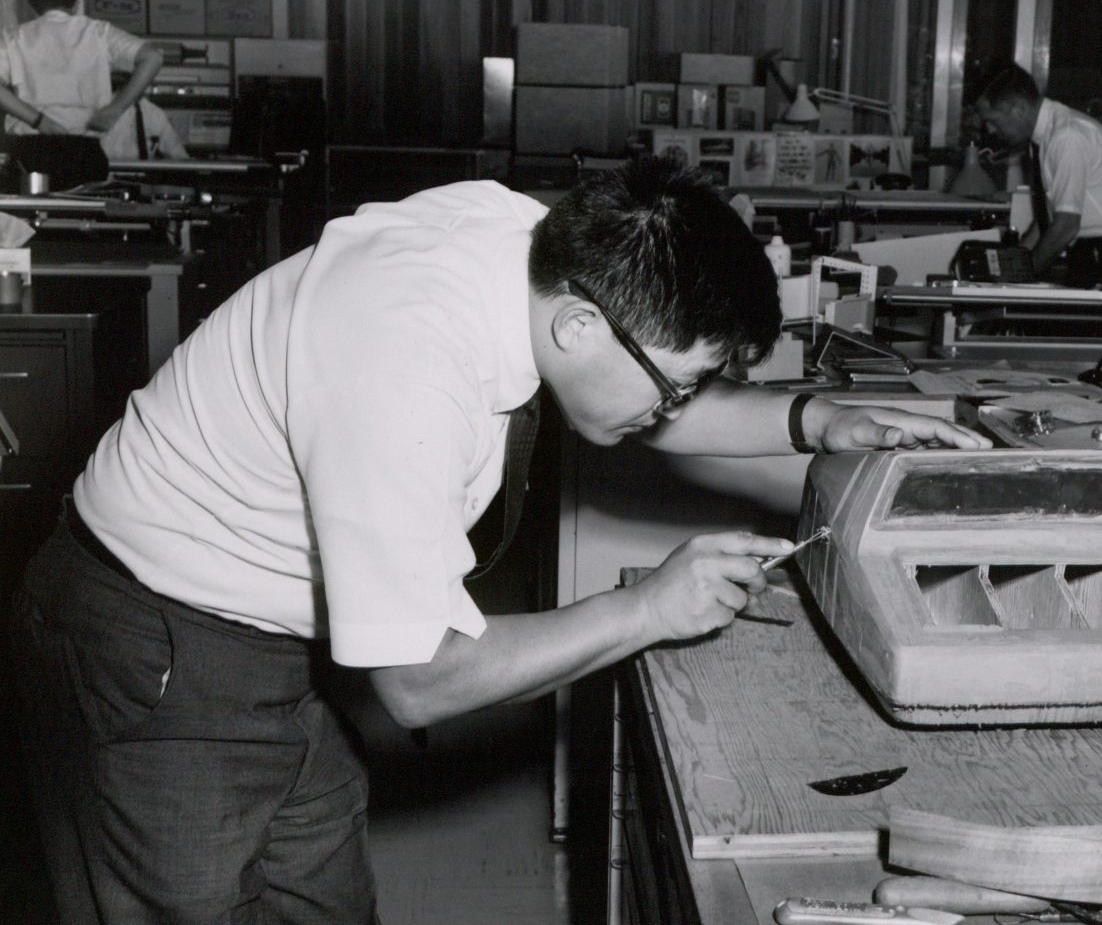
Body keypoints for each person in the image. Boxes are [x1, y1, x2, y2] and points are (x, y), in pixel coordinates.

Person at [11, 157, 989, 923]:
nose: (679, 407)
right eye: (682, 382)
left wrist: (818, 420)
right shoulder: (399, 358)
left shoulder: (544, 253)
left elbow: (645, 393)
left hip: (274, 636)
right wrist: (645, 607)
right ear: (578, 327)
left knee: (322, 900)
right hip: (148, 649)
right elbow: (421, 679)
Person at [973, 63, 1102, 288]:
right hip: (1092, 253)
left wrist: (1016, 281)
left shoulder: (1067, 138)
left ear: (1017, 107)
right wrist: (1008, 267)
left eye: (992, 121)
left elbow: (1065, 226)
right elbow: (1046, 223)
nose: (989, 130)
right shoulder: (1044, 136)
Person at [0, 0, 163, 142]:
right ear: (76, 5)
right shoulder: (99, 32)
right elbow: (153, 57)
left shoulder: (13, 37)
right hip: (84, 148)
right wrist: (116, 109)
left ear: (32, 7)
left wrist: (39, 121)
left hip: (31, 146)